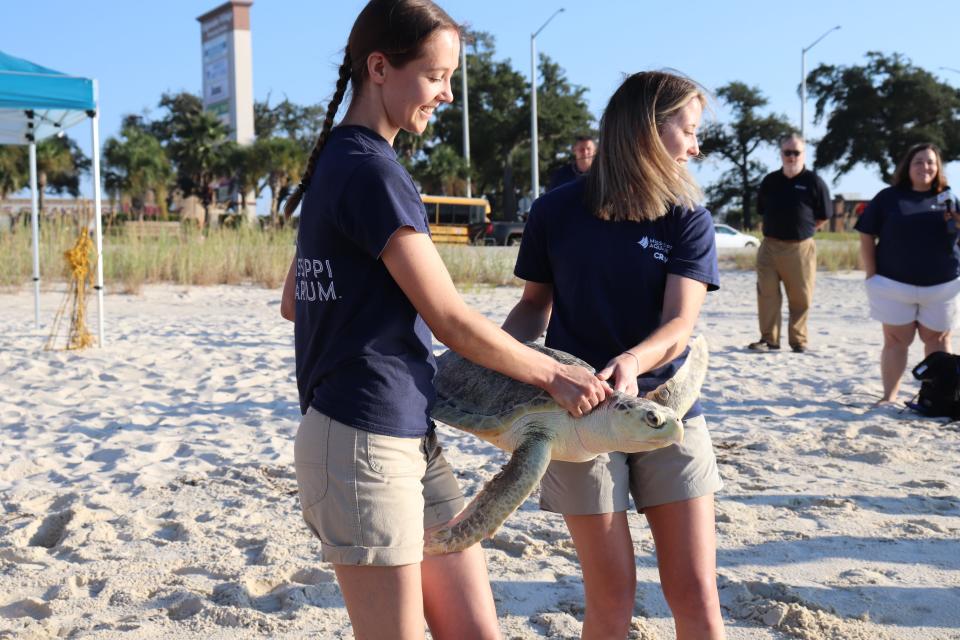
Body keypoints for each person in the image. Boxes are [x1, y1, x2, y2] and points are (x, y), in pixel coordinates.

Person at [278, 2, 611, 638]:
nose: (447, 94)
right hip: (361, 440)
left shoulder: (337, 163)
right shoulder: (372, 170)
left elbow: (296, 300)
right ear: (380, 67)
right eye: (436, 76)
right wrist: (554, 377)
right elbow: (451, 320)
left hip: (407, 432)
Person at [502, 71, 725, 640]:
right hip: (576, 417)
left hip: (666, 407)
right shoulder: (555, 210)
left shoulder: (687, 217)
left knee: (695, 593)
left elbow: (680, 324)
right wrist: (503, 368)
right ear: (649, 129)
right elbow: (533, 308)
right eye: (690, 130)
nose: (696, 146)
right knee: (612, 596)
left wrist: (632, 359)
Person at [856, 143, 960, 405]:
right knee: (895, 341)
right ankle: (889, 396)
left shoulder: (949, 198)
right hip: (893, 285)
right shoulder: (888, 198)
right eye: (919, 162)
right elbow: (866, 233)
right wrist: (871, 272)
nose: (925, 167)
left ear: (938, 168)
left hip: (942, 286)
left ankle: (941, 398)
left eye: (931, 162)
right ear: (907, 167)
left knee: (937, 340)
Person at [748, 133, 832, 353]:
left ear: (804, 154)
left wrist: (807, 230)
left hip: (800, 248)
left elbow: (825, 214)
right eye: (788, 152)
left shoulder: (814, 182)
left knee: (801, 298)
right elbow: (761, 210)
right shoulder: (770, 181)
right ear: (781, 154)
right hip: (769, 247)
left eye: (796, 152)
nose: (792, 156)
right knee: (767, 294)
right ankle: (769, 339)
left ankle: (798, 340)